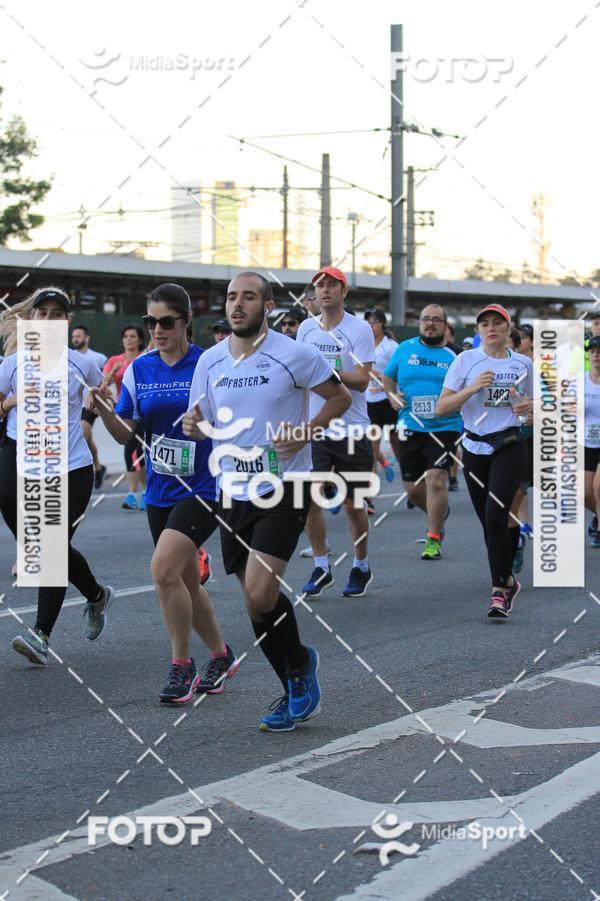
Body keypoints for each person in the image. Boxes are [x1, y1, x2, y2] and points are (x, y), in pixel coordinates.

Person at [183, 271, 351, 731]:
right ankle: (295, 674)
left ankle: (297, 670)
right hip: (231, 489)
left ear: (268, 306)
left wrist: (305, 433)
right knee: (256, 604)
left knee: (260, 591)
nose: (237, 305)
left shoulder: (296, 354)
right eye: (232, 297)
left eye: (249, 297)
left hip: (285, 485)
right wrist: (194, 426)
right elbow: (203, 419)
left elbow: (338, 397)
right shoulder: (211, 362)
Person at [91, 283, 239, 702]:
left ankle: (181, 665)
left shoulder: (209, 363)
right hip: (160, 488)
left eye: (166, 322)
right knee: (187, 583)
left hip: (205, 484)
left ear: (186, 322)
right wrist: (103, 408)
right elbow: (127, 433)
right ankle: (221, 654)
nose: (157, 329)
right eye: (150, 322)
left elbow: (233, 420)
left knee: (162, 572)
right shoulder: (139, 369)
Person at [0, 287, 114, 665]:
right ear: (32, 320)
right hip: (23, 462)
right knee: (46, 546)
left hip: (72, 468)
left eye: (57, 314)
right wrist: (10, 402)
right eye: (42, 313)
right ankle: (96, 595)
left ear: (66, 322)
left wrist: (99, 400)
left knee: (50, 547)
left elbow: (102, 394)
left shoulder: (81, 364)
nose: (49, 319)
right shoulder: (12, 365)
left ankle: (40, 634)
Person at [437, 303, 533, 618]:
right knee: (488, 522)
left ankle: (498, 593)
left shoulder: (523, 364)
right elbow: (442, 407)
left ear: (508, 329)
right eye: (485, 324)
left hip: (509, 445)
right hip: (475, 449)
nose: (491, 328)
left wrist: (528, 410)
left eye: (497, 323)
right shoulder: (465, 360)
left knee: (495, 515)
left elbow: (533, 412)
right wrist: (474, 387)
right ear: (478, 331)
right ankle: (508, 575)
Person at [297, 266, 376, 598]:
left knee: (353, 506)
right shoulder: (305, 329)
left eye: (332, 284)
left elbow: (361, 378)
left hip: (352, 428)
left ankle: (361, 565)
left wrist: (326, 371)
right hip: (315, 428)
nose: (325, 289)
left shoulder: (358, 330)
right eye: (320, 285)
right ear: (314, 294)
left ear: (344, 291)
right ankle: (321, 565)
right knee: (308, 500)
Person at [382, 304, 462, 560]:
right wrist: (392, 395)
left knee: (437, 479)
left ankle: (433, 538)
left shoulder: (455, 356)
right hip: (410, 425)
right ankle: (437, 513)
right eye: (425, 319)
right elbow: (387, 378)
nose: (430, 324)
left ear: (445, 326)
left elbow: (467, 389)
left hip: (444, 427)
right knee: (413, 489)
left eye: (436, 320)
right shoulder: (405, 349)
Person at [104, 325, 147, 510]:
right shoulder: (115, 360)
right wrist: (113, 371)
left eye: (132, 336)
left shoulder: (145, 358)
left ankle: (144, 492)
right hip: (125, 411)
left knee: (138, 451)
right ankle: (134, 494)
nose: (128, 339)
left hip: (144, 410)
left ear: (139, 340)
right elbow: (103, 384)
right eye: (126, 336)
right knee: (131, 451)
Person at [72, 323, 108, 490]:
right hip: (74, 405)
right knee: (87, 437)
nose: (75, 339)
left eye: (79, 336)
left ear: (87, 338)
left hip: (91, 403)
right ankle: (99, 467)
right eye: (73, 336)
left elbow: (103, 382)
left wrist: (99, 401)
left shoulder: (98, 358)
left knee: (83, 434)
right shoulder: (69, 357)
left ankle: (81, 473)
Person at [366, 310, 399, 494]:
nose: (371, 325)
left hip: (389, 401)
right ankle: (370, 495)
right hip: (370, 402)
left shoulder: (391, 347)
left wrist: (381, 378)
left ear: (383, 324)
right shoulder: (364, 345)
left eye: (375, 322)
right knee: (371, 448)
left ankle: (411, 486)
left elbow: (400, 372)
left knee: (397, 445)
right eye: (369, 322)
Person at [584, 336, 600, 547]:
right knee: (585, 493)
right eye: (593, 351)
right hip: (585, 442)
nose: (597, 355)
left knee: (599, 487)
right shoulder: (579, 381)